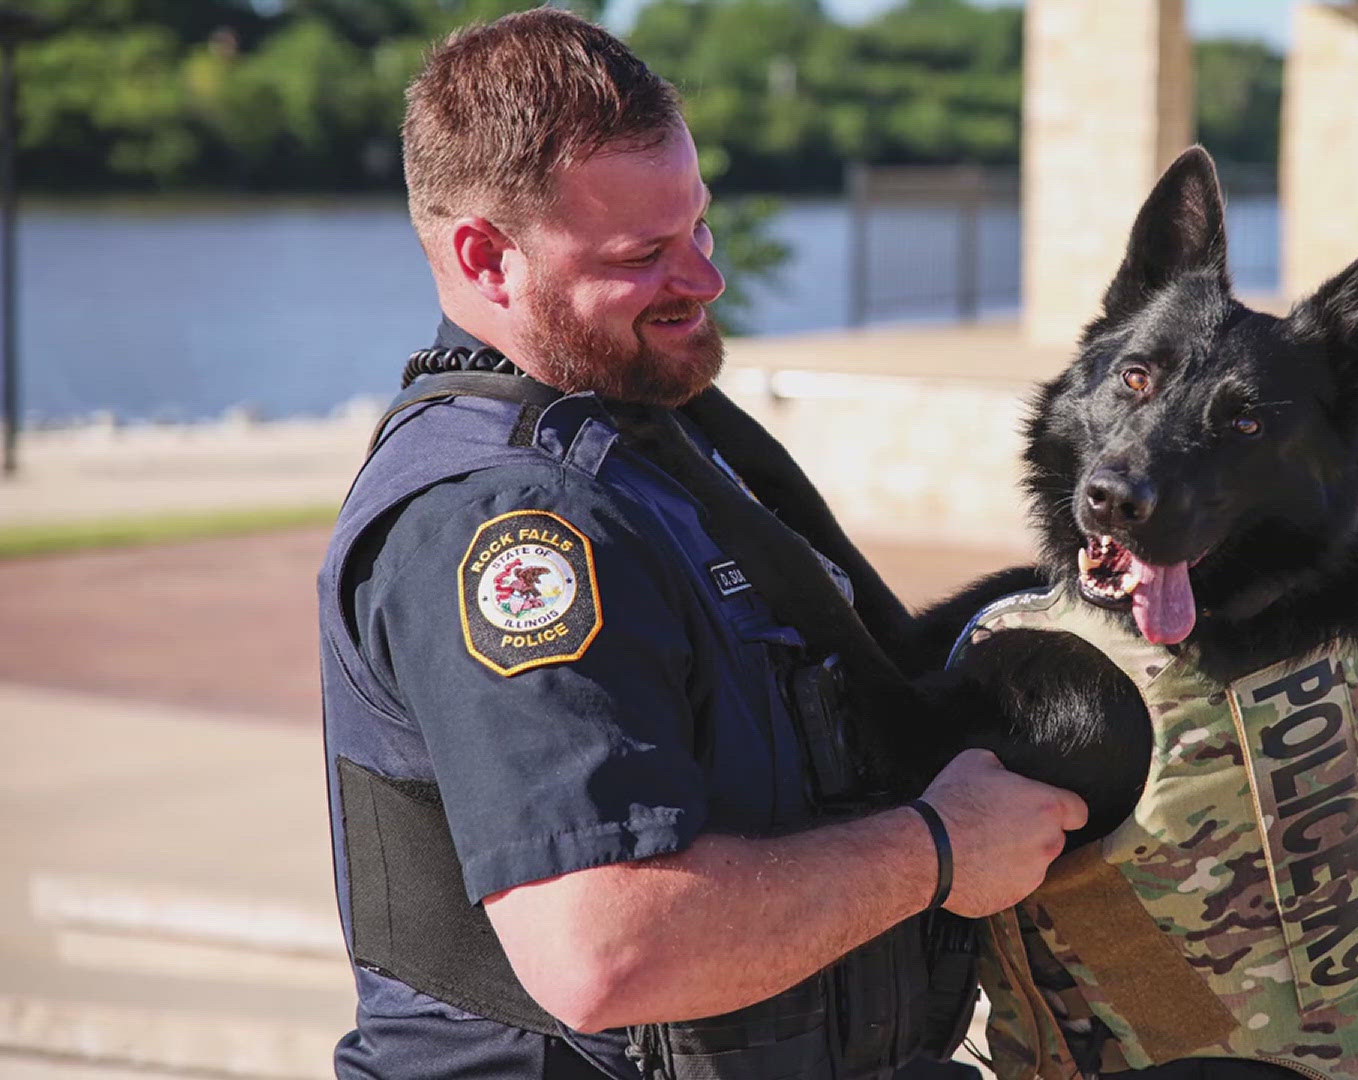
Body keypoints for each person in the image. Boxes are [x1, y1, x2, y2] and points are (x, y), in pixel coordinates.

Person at [316, 10, 1086, 1079]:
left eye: (700, 231)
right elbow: (609, 953)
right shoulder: (504, 528)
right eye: (645, 256)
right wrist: (939, 850)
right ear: (488, 257)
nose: (706, 281)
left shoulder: (643, 433)